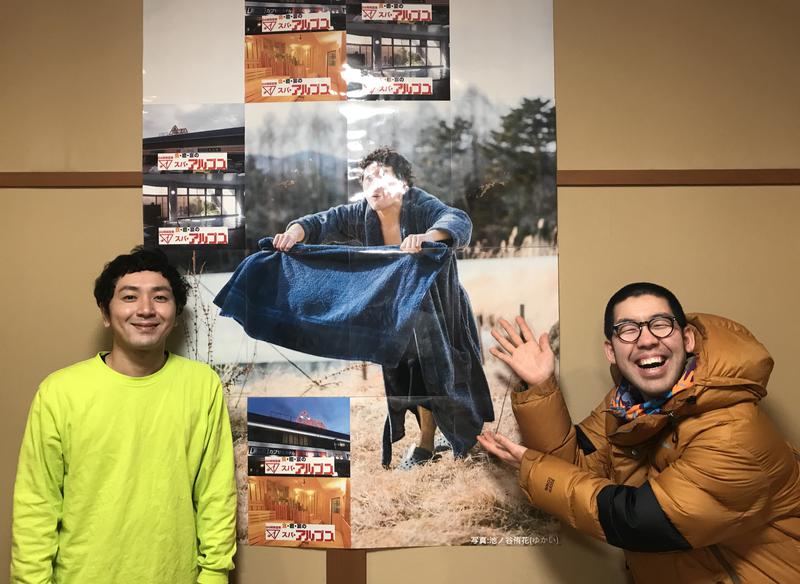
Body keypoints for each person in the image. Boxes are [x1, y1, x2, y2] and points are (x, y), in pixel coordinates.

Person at [479, 282, 800, 583]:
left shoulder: (735, 434)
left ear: (686, 339)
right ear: (611, 350)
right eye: (628, 330)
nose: (646, 340)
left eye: (660, 324)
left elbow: (636, 521)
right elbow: (571, 466)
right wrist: (540, 386)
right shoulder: (627, 406)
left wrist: (532, 470)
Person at [11, 247, 236, 584]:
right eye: (129, 297)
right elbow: (36, 504)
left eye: (160, 297)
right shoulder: (59, 391)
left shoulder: (202, 385)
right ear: (106, 313)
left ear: (175, 315)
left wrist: (215, 575)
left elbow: (216, 494)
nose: (145, 309)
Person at [273, 147, 494, 468]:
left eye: (383, 176)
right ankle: (427, 444)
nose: (374, 184)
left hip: (442, 308)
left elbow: (457, 219)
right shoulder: (360, 214)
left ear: (403, 183)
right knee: (411, 376)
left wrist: (428, 236)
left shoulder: (419, 204)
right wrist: (295, 231)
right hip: (399, 313)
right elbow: (322, 221)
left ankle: (456, 440)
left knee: (451, 371)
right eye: (367, 178)